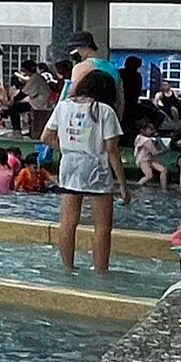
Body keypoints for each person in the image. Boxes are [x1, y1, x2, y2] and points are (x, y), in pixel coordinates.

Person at [41, 68, 129, 272]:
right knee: (102, 225)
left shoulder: (63, 107)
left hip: (69, 164)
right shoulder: (105, 111)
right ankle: (101, 270)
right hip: (95, 167)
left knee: (68, 221)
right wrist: (123, 185)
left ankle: (68, 267)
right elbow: (111, 150)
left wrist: (65, 149)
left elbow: (45, 137)